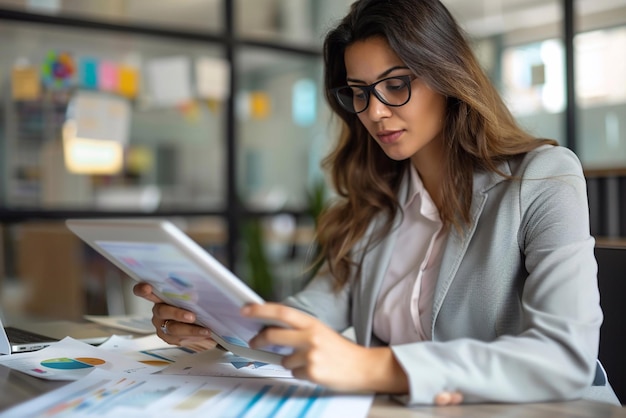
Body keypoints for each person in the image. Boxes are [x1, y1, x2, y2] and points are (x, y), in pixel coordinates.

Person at [134, 0, 621, 406]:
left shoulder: (544, 177)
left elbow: (565, 355)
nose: (375, 112)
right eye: (360, 92)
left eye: (395, 84)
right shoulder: (375, 203)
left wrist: (374, 365)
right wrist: (213, 324)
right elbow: (310, 314)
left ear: (447, 75)